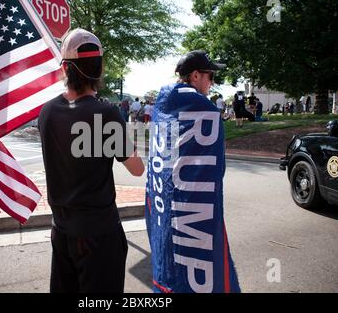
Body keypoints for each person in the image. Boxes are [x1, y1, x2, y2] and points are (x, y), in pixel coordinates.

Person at [38, 28, 144, 293]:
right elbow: (136, 168)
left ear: (65, 68)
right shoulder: (106, 113)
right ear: (99, 68)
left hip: (61, 230)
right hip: (98, 233)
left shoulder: (47, 112)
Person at [145, 50, 240, 293]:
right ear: (195, 75)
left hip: (166, 209)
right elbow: (214, 169)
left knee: (170, 260)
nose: (213, 82)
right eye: (210, 76)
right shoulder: (202, 107)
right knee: (199, 269)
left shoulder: (162, 103)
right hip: (193, 212)